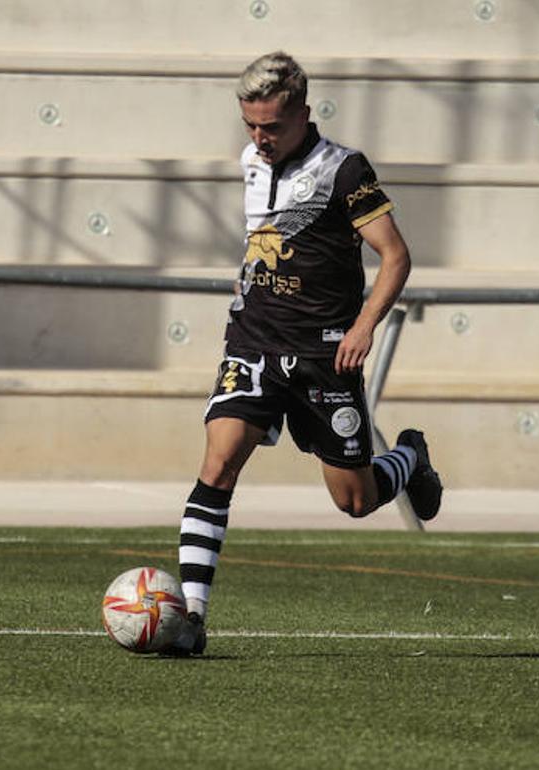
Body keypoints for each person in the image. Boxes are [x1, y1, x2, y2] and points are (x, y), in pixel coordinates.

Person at [168, 51, 442, 656]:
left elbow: (395, 256)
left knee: (356, 500)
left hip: (325, 355)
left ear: (304, 115)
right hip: (255, 342)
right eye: (251, 126)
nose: (259, 139)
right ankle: (191, 618)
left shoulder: (344, 171)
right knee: (218, 465)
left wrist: (365, 325)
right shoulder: (251, 160)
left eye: (272, 126)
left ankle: (409, 459)